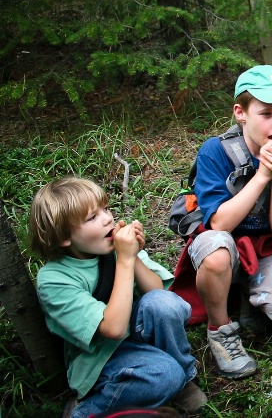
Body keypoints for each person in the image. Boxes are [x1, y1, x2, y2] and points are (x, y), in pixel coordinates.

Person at [170, 65, 272, 379]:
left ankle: (248, 297)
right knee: (217, 251)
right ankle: (220, 330)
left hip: (265, 248)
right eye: (266, 114)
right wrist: (262, 173)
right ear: (241, 112)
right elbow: (219, 223)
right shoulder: (215, 152)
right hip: (222, 245)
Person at [30, 177, 205, 418]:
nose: (107, 218)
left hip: (135, 336)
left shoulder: (114, 249)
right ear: (64, 237)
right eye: (92, 217)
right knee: (165, 375)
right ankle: (86, 412)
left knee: (165, 304)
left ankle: (181, 383)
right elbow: (112, 329)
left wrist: (133, 257)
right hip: (101, 360)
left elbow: (158, 294)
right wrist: (123, 259)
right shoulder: (55, 279)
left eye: (105, 209)